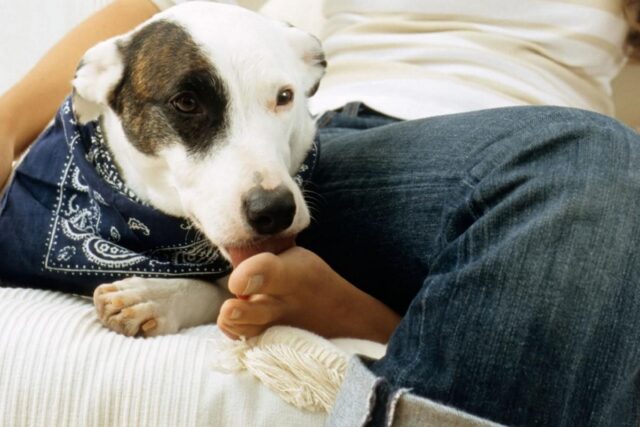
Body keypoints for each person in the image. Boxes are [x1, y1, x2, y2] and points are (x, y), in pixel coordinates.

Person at [1, 0, 639, 425]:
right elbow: (154, 18)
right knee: (594, 160)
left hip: (580, 192)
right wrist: (4, 128)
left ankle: (368, 315)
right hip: (363, 144)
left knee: (608, 210)